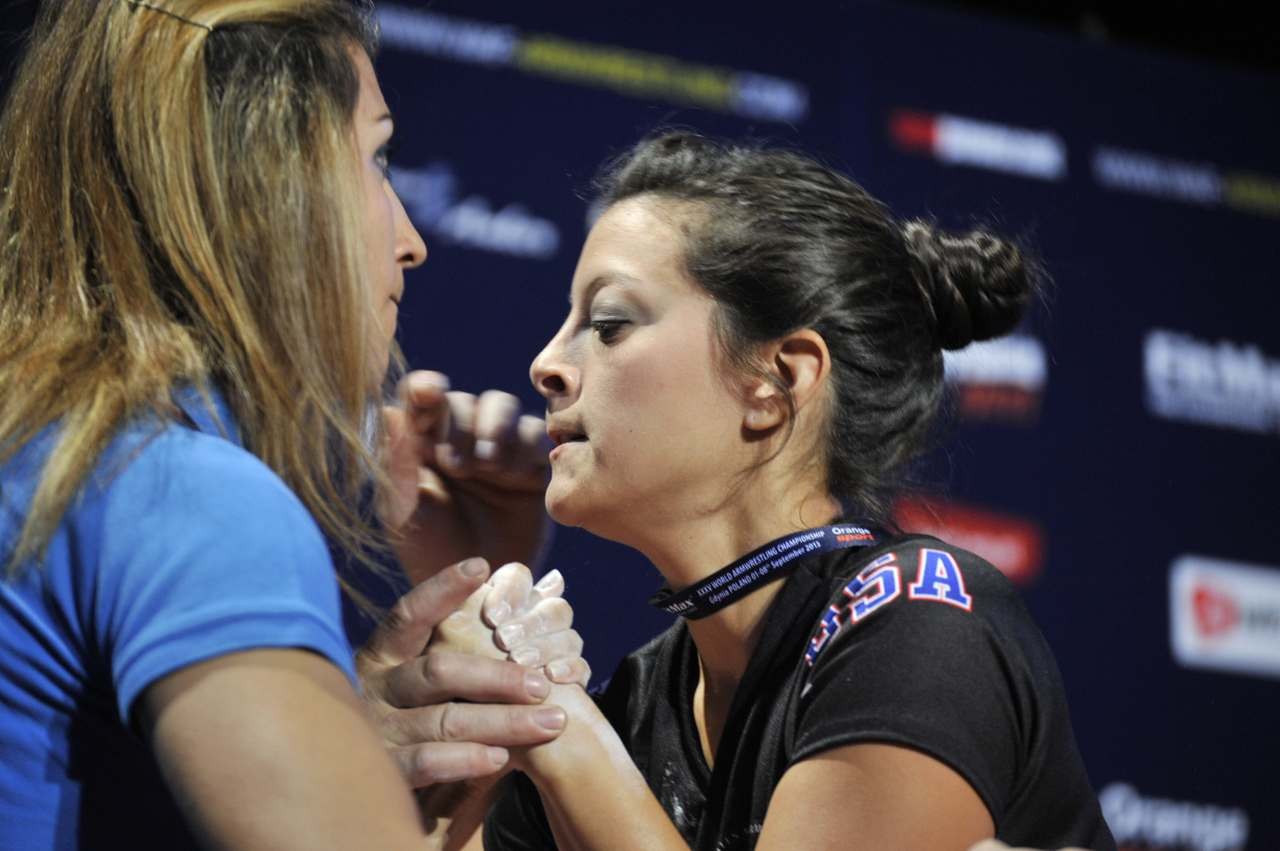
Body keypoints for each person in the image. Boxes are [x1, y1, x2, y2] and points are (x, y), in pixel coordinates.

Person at [0, 1, 584, 848]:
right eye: (377, 157)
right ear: (275, 188)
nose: (413, 240)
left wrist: (346, 731)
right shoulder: (185, 492)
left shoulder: (52, 445)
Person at [445, 132, 1117, 850]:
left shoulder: (923, 620)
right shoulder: (636, 707)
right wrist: (460, 581)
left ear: (774, 384)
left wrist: (561, 732)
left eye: (609, 324)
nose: (546, 363)